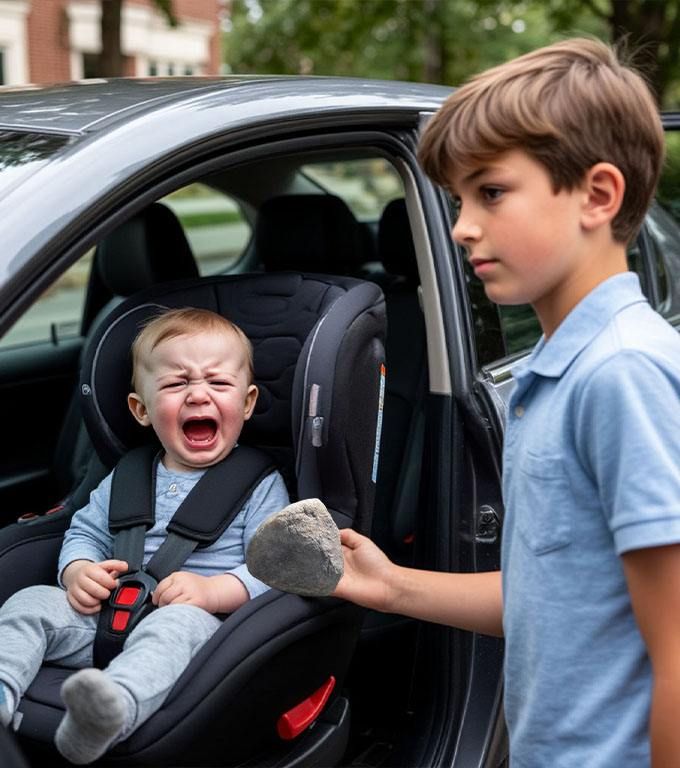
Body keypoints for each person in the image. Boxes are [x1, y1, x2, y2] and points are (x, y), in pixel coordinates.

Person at [334, 38, 680, 766]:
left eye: (490, 193)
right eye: (459, 199)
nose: (460, 225)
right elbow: (551, 599)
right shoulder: (556, 373)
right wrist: (393, 587)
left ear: (598, 195)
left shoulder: (621, 376)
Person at [0, 307, 289, 764]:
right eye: (176, 384)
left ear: (248, 403)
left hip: (199, 627)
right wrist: (78, 570)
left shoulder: (260, 483)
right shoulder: (130, 474)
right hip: (104, 615)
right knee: (30, 603)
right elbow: (86, 531)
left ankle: (109, 710)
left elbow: (275, 565)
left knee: (173, 628)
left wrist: (214, 591)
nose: (198, 396)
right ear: (141, 408)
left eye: (218, 383)